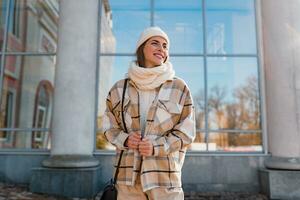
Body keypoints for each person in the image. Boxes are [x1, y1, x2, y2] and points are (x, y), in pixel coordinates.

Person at [103, 26, 196, 200]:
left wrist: (156, 147)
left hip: (165, 181)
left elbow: (187, 133)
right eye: (155, 43)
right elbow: (109, 127)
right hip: (127, 181)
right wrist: (125, 139)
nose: (161, 49)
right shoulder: (119, 89)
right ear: (141, 48)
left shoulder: (179, 88)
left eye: (165, 46)